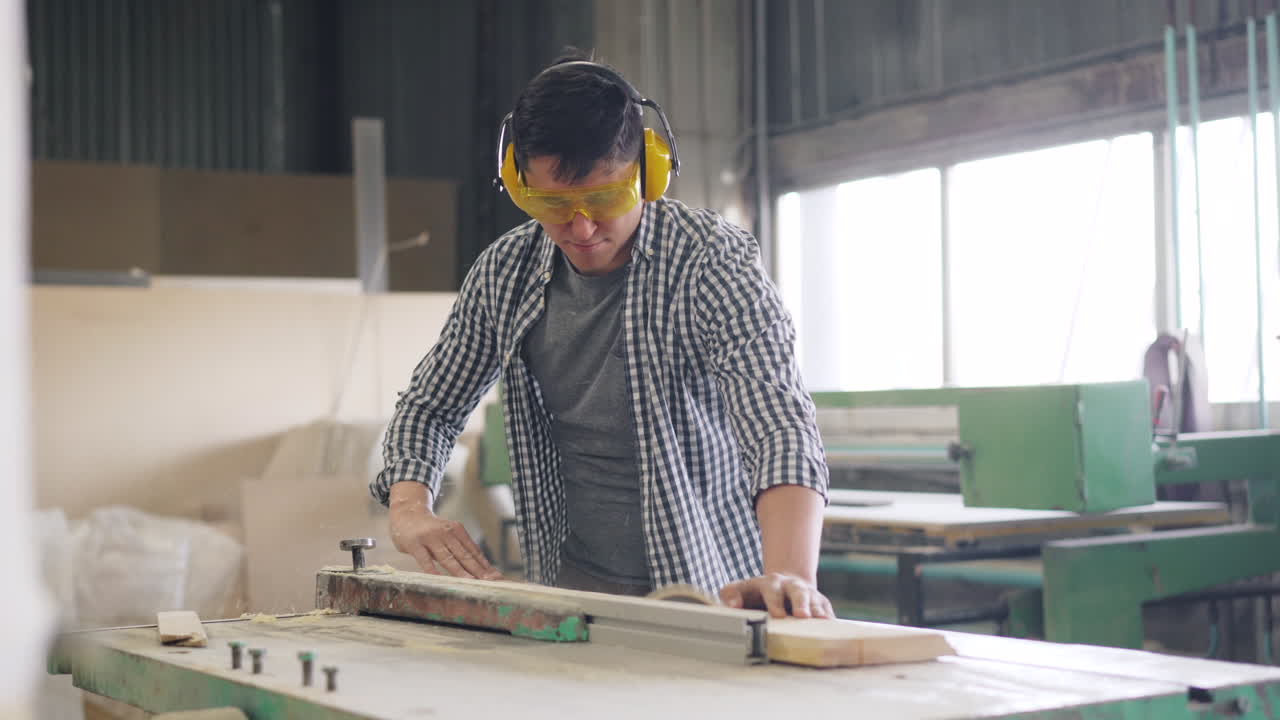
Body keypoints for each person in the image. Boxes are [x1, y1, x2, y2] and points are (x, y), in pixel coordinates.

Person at [371, 51, 832, 618]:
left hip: (713, 591)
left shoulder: (712, 262)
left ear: (649, 172)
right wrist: (410, 507)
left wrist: (789, 574)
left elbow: (778, 426)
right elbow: (430, 407)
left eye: (606, 199)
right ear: (518, 182)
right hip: (573, 595)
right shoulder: (504, 273)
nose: (581, 228)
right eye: (551, 204)